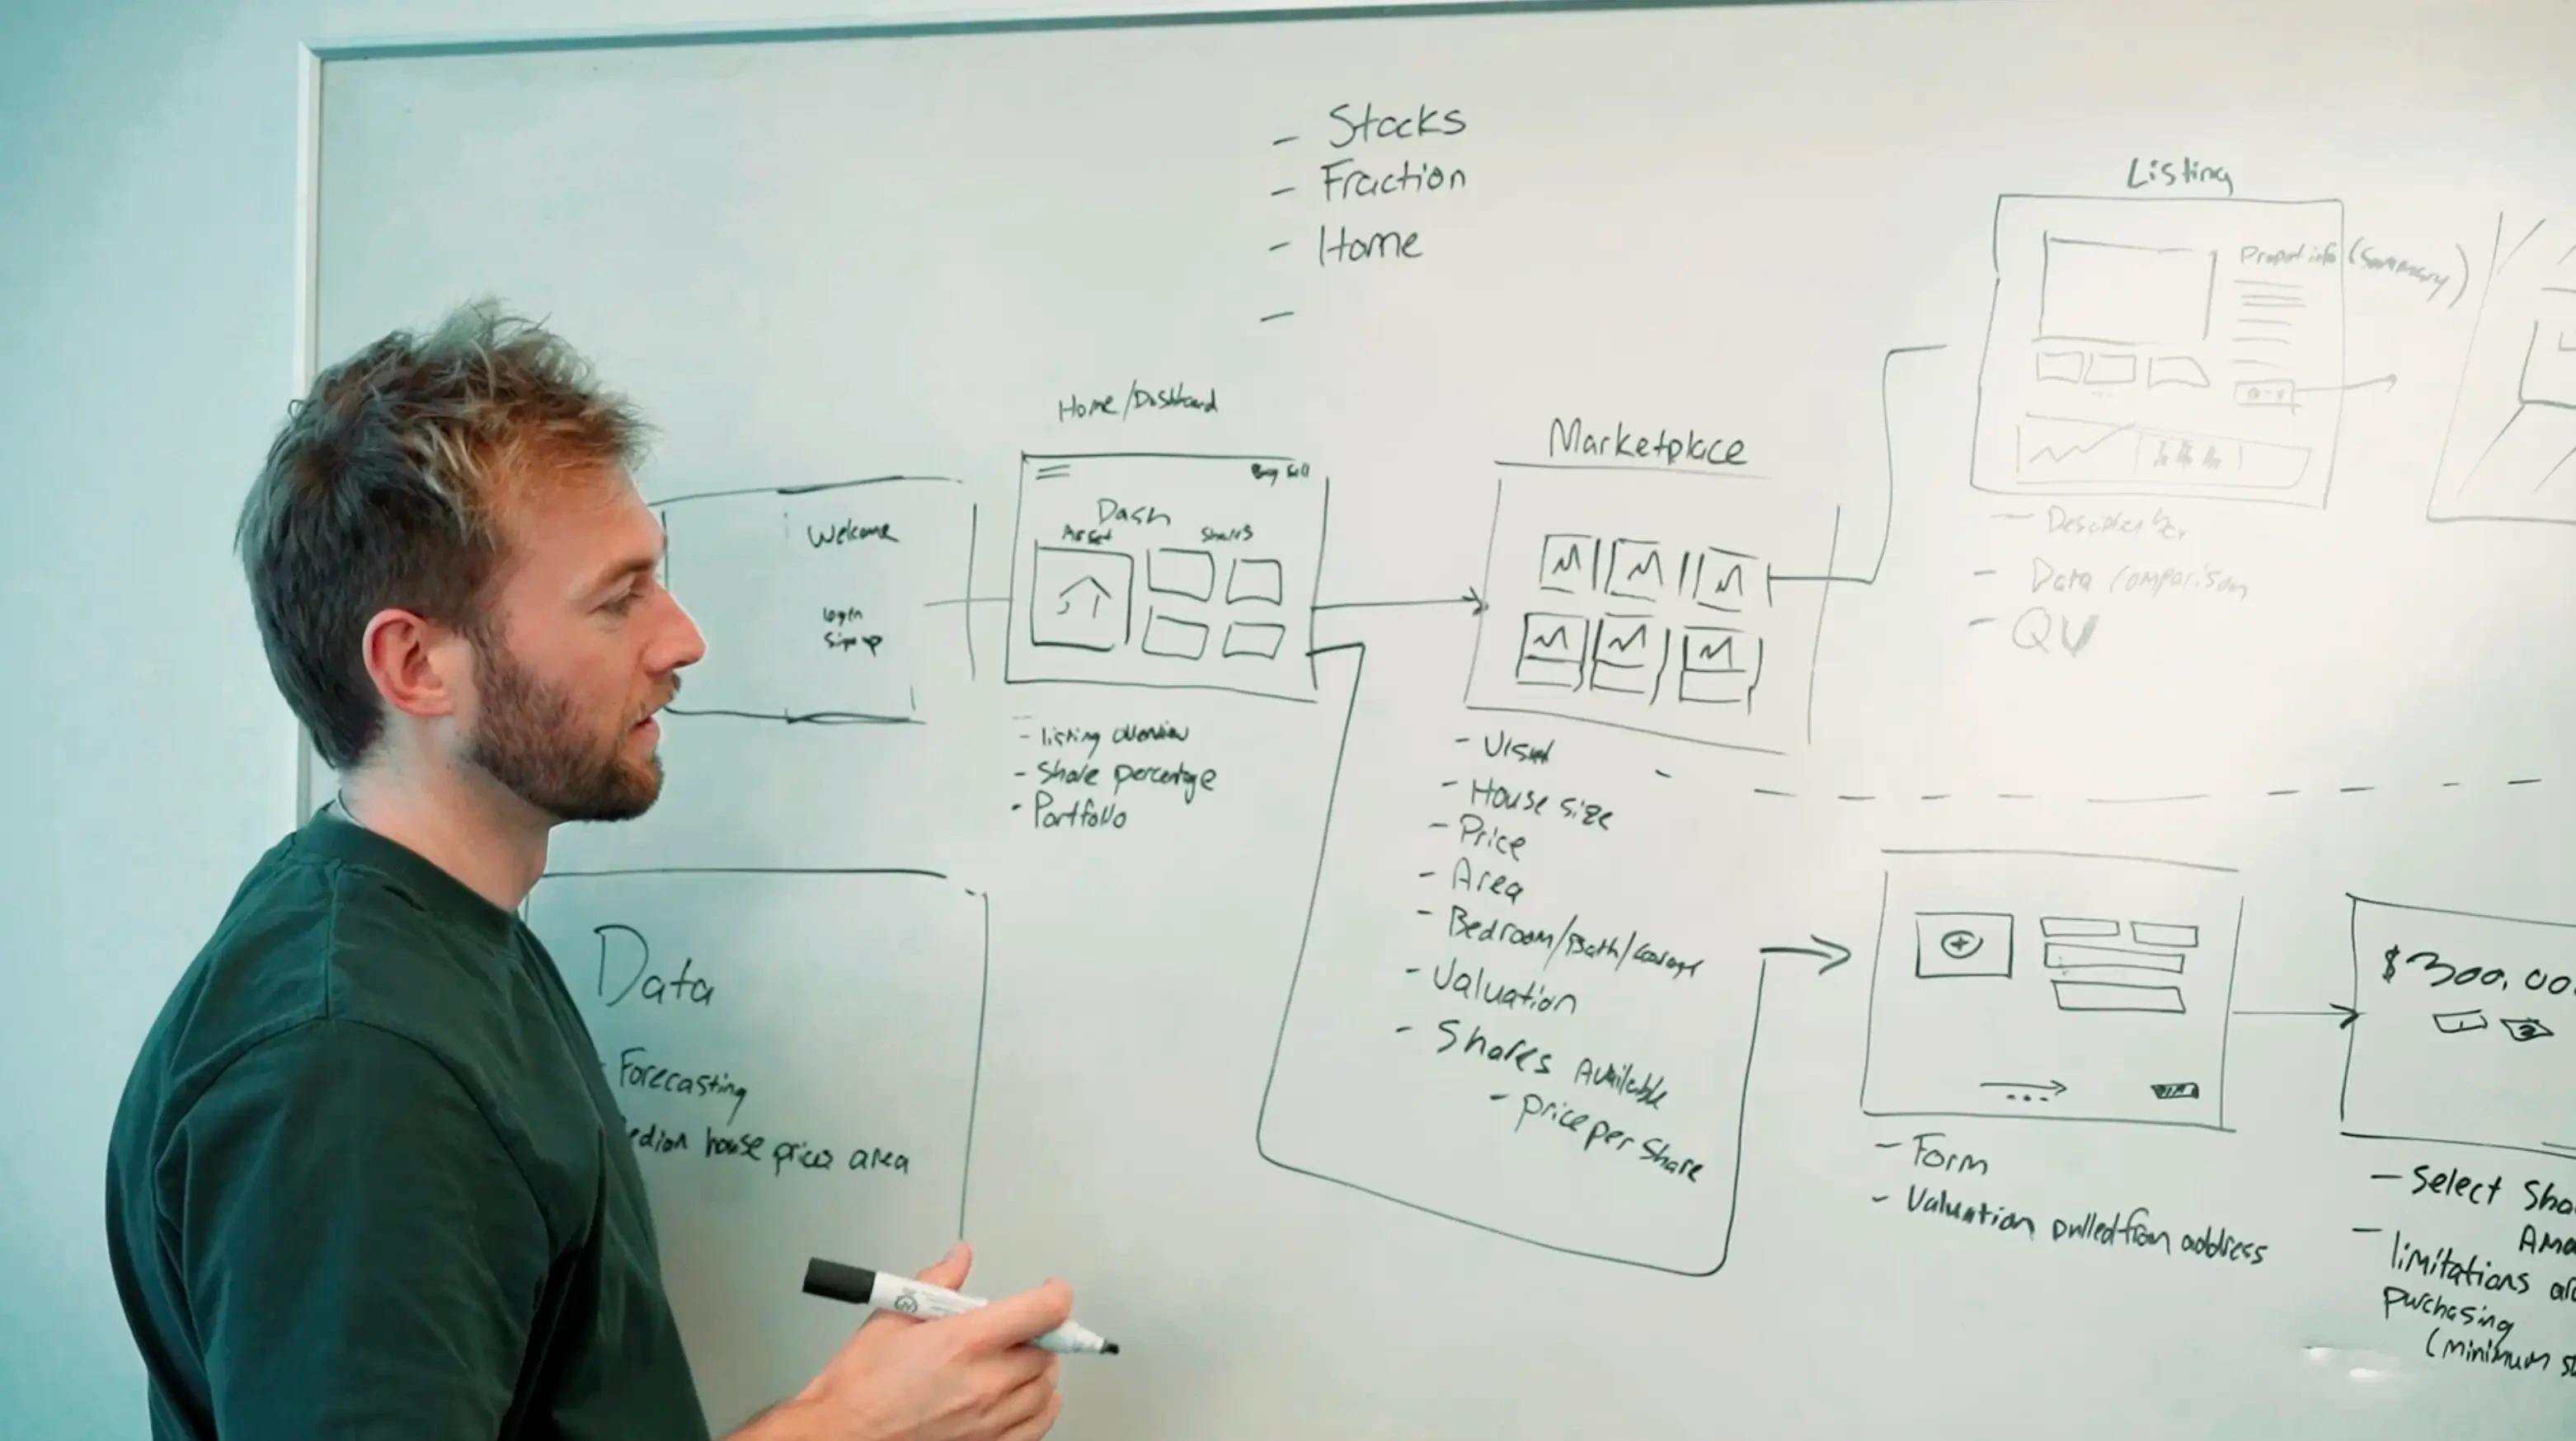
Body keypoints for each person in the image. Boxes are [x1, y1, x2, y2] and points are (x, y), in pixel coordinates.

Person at [102, 300, 1071, 1440]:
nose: (682, 638)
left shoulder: (441, 938)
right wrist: (845, 1427)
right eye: (617, 599)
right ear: (417, 665)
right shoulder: (356, 1067)